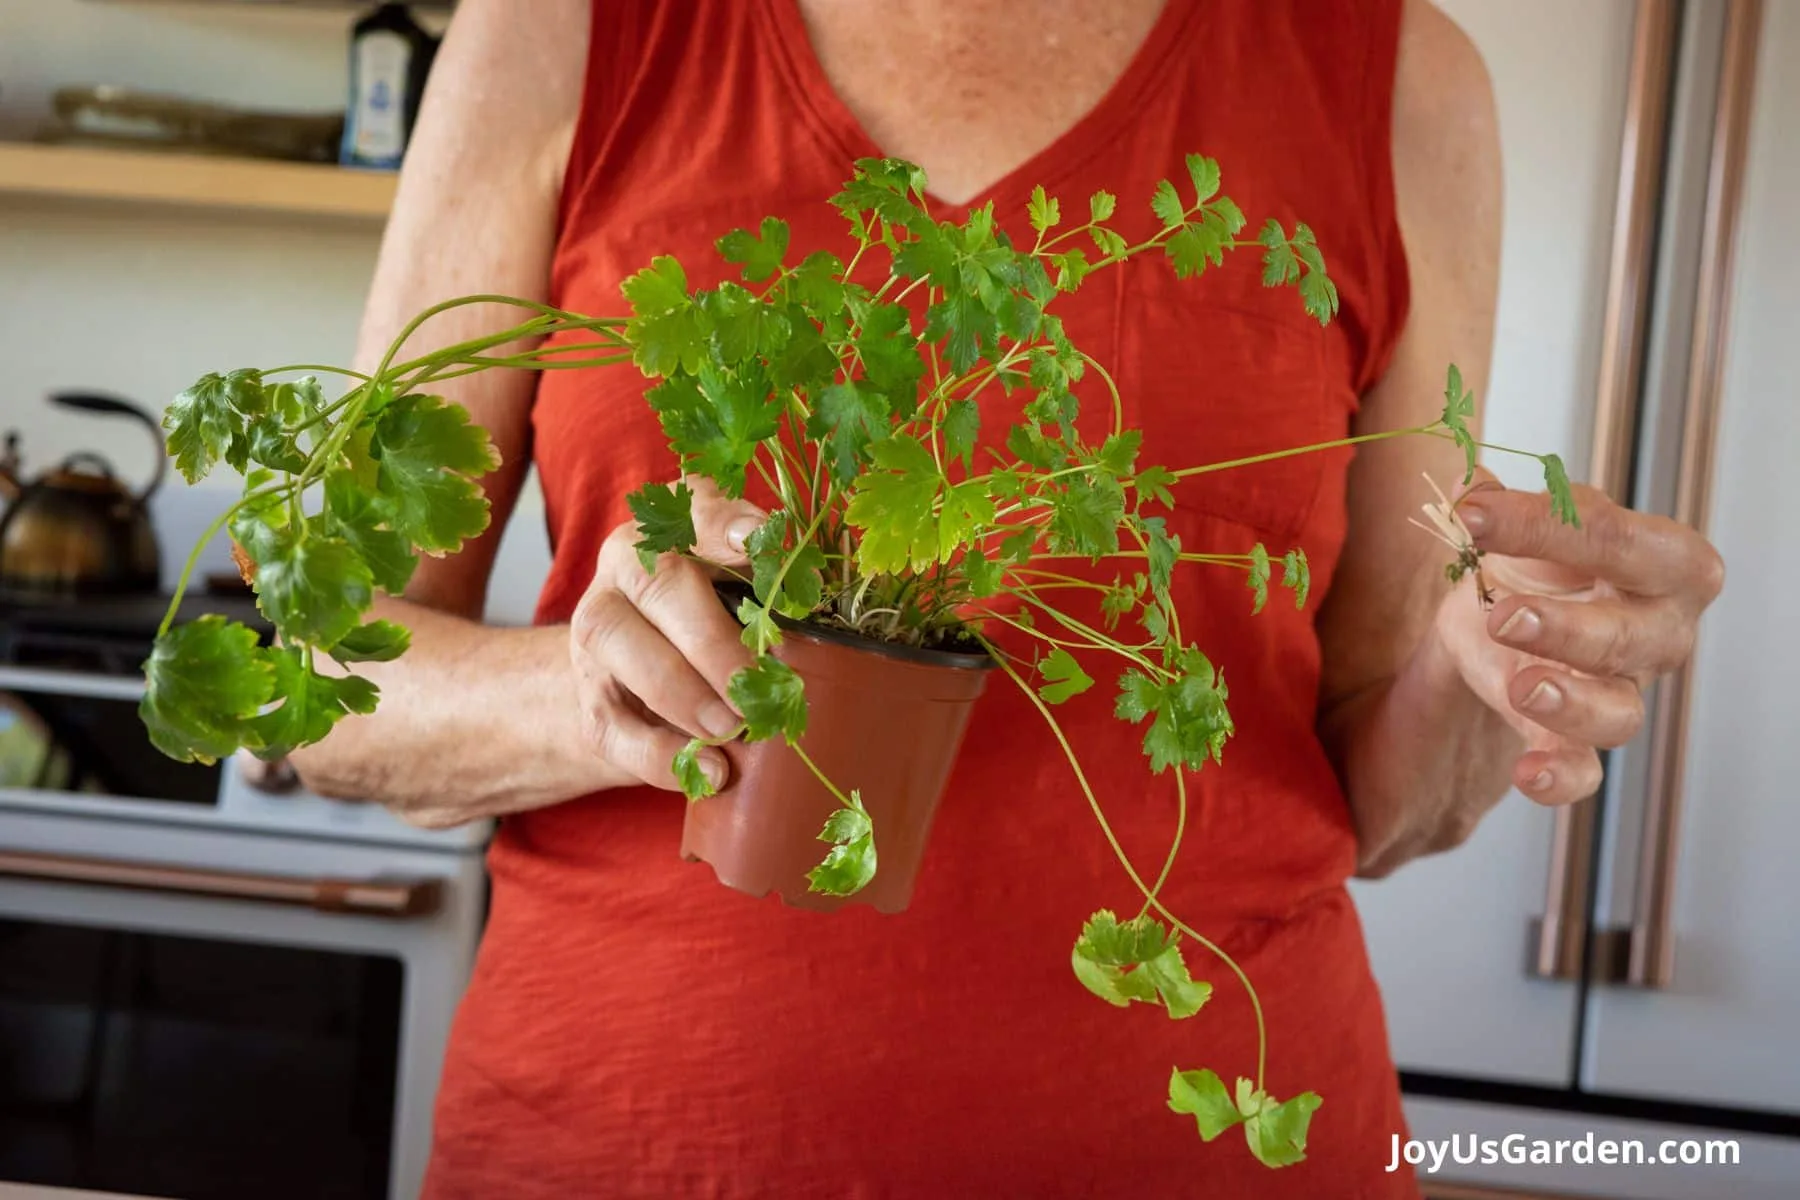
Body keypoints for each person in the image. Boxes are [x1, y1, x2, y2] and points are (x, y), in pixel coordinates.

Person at [284, 0, 1725, 1195]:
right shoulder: (566, 32)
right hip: (624, 1148)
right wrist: (583, 698)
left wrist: (1493, 668)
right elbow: (327, 693)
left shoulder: (1400, 77)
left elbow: (1382, 785)